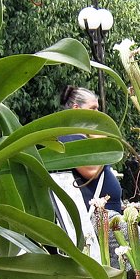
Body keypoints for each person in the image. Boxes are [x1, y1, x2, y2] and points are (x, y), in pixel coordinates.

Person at [59, 86, 122, 214]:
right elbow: (92, 172)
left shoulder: (84, 138)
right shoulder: (68, 138)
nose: (97, 113)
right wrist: (102, 142)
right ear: (76, 109)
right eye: (92, 108)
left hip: (107, 213)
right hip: (96, 216)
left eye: (97, 108)